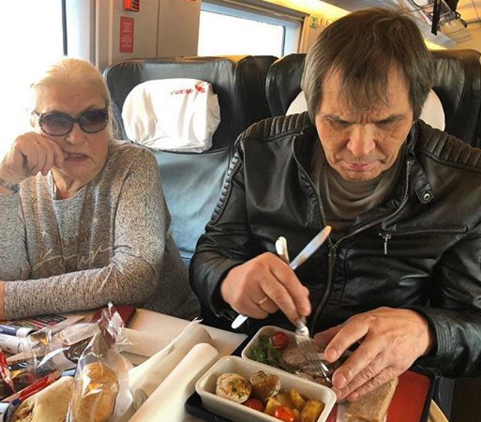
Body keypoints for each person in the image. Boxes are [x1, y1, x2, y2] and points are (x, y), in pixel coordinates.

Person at [190, 7, 481, 404]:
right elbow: (210, 254)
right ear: (312, 108)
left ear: (415, 111)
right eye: (338, 121)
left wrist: (424, 330)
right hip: (264, 365)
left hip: (380, 377)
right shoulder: (259, 150)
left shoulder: (467, 185)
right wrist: (228, 280)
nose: (360, 149)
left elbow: (474, 326)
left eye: (387, 123)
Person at [0, 58, 200, 322]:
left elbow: (135, 278)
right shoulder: (22, 176)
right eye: (56, 121)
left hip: (157, 328)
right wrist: (3, 182)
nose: (75, 138)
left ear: (108, 119)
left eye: (93, 118)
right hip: (64, 332)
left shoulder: (133, 164)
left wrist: (8, 300)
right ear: (33, 124)